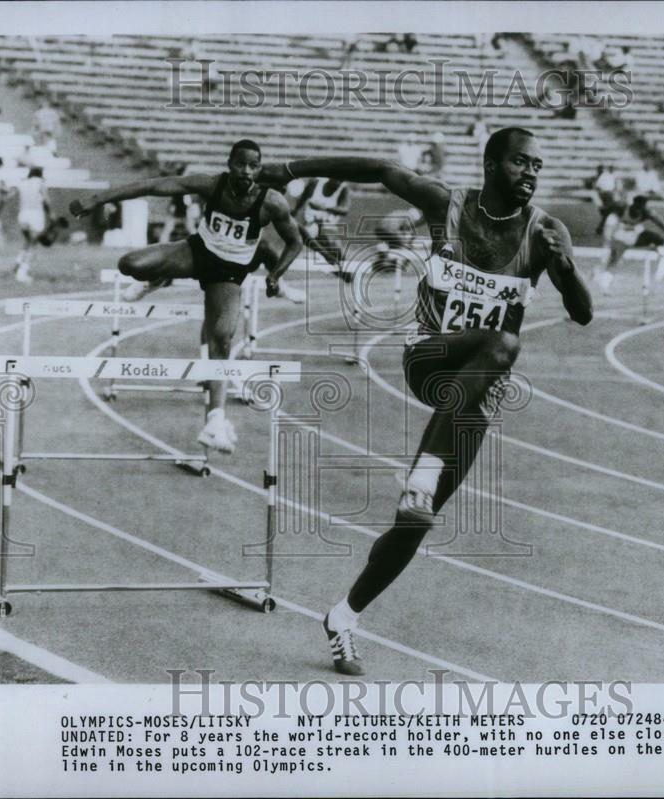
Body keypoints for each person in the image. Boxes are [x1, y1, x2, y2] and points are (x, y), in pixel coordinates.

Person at [258, 127, 593, 675]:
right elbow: (378, 168)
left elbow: (582, 313)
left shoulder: (546, 232)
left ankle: (343, 616)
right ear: (490, 165)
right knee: (503, 340)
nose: (531, 173)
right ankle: (421, 476)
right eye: (519, 163)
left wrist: (567, 266)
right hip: (429, 357)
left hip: (477, 390)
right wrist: (291, 169)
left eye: (537, 165)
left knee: (415, 523)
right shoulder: (447, 204)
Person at [70, 140, 303, 453]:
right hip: (198, 252)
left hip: (228, 273)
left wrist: (276, 276)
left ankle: (215, 422)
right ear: (229, 164)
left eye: (253, 166)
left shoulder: (271, 202)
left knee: (221, 337)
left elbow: (295, 242)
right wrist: (96, 199)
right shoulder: (210, 184)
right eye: (240, 164)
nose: (246, 171)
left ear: (259, 169)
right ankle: (160, 277)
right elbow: (154, 186)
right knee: (129, 264)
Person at [597, 195, 664, 294]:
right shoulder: (622, 208)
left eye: (641, 208)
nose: (639, 211)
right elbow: (607, 215)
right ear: (633, 204)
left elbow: (660, 222)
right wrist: (601, 228)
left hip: (635, 237)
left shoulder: (646, 212)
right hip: (619, 237)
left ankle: (662, 255)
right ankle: (604, 285)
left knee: (656, 238)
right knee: (614, 260)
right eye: (637, 208)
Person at [294, 177, 351, 278]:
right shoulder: (315, 183)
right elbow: (302, 199)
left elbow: (345, 210)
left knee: (337, 251)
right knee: (313, 237)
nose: (338, 182)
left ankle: (343, 271)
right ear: (329, 176)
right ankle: (331, 261)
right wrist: (294, 211)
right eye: (337, 178)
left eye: (341, 180)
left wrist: (323, 208)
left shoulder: (343, 188)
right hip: (310, 224)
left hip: (328, 225)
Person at [13, 167, 51, 284]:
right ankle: (22, 272)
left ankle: (18, 261)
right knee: (33, 244)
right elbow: (47, 201)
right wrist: (51, 213)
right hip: (35, 214)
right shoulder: (40, 183)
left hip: (23, 214)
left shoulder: (23, 182)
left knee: (28, 240)